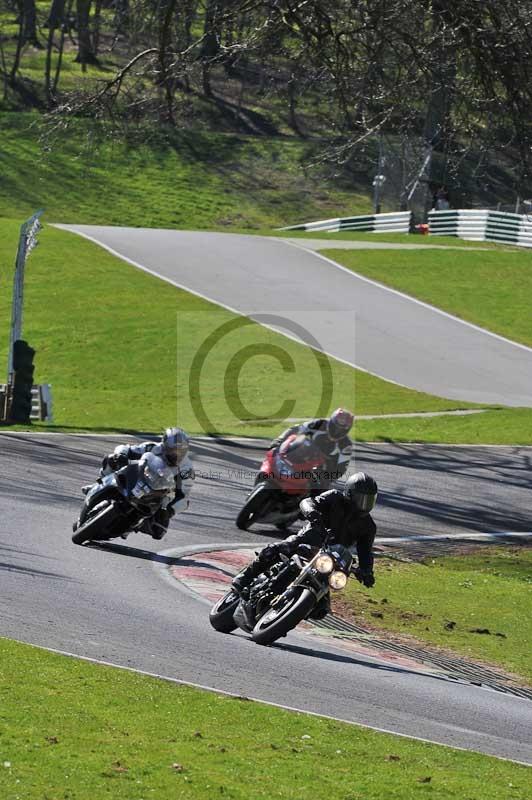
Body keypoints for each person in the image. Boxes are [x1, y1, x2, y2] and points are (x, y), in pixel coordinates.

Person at [232, 472, 378, 618]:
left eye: (369, 500)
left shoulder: (368, 526)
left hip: (331, 557)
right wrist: (313, 514)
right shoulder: (334, 497)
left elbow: (366, 551)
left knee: (321, 610)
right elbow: (308, 502)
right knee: (276, 550)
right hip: (309, 539)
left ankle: (294, 609)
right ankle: (245, 577)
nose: (364, 504)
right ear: (349, 493)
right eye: (361, 499)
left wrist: (367, 571)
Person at [84, 427, 194, 540]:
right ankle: (98, 484)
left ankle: (134, 525)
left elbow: (184, 498)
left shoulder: (187, 469)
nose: (176, 454)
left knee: (159, 529)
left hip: (159, 496)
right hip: (139, 478)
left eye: (180, 451)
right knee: (111, 459)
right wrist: (121, 455)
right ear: (164, 445)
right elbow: (126, 448)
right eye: (172, 450)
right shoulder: (152, 447)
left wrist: (170, 511)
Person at [269, 408, 354, 490]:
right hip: (304, 454)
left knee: (318, 492)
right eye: (335, 428)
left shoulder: (346, 445)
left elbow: (342, 467)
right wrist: (278, 441)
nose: (336, 432)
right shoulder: (319, 424)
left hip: (323, 469)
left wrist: (328, 477)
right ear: (331, 422)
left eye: (340, 431)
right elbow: (295, 429)